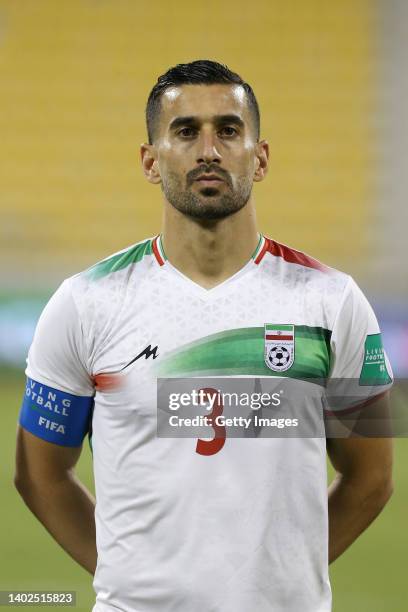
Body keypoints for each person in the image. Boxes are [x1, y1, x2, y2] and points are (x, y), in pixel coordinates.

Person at [14, 60, 394, 612]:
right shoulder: (85, 302)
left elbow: (373, 478)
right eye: (186, 131)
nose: (209, 150)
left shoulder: (335, 301)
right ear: (150, 160)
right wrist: (132, 577)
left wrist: (277, 583)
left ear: (259, 157)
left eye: (229, 130)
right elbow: (37, 474)